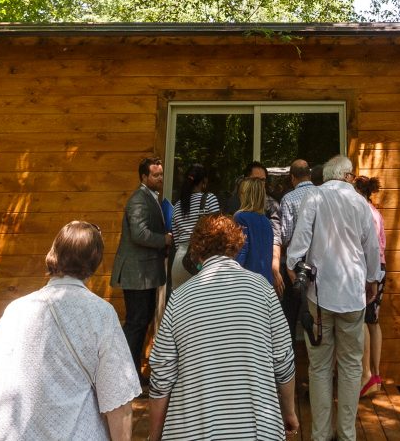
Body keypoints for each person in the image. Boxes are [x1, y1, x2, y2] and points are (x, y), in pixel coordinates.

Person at [0, 221, 139, 441]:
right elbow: (118, 398)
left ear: (54, 253)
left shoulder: (17, 309)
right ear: (95, 262)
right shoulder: (101, 314)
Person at [147, 215, 298, 441]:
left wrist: (154, 434)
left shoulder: (179, 298)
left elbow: (161, 375)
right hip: (257, 429)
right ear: (236, 247)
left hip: (191, 430)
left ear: (197, 251)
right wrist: (289, 413)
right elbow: (283, 361)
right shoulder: (263, 290)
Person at [286, 154, 383, 441]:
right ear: (348, 175)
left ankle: (320, 434)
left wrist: (294, 271)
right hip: (353, 292)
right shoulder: (359, 202)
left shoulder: (314, 197)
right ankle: (347, 433)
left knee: (319, 365)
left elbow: (299, 243)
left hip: (320, 293)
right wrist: (372, 281)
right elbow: (372, 247)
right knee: (352, 364)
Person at [110, 156, 171, 380]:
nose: (160, 178)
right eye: (156, 175)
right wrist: (164, 240)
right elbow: (139, 234)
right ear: (144, 177)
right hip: (136, 273)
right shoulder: (138, 199)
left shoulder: (151, 197)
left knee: (141, 322)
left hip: (145, 273)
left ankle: (131, 375)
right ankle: (125, 376)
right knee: (136, 324)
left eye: (161, 174)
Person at [277, 158, 320, 337]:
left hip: (296, 263)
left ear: (292, 177)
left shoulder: (288, 198)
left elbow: (285, 234)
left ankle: (292, 357)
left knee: (291, 314)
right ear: (309, 174)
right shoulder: (321, 194)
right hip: (319, 259)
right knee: (317, 310)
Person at [353, 174, 386, 398]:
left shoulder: (362, 212)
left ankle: (365, 375)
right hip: (382, 266)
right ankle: (375, 373)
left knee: (364, 319)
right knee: (374, 321)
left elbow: (366, 245)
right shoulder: (377, 212)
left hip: (369, 268)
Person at [169, 163, 220, 292]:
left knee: (180, 308)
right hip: (202, 261)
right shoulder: (210, 199)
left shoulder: (177, 206)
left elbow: (176, 240)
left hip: (179, 261)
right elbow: (219, 232)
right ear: (204, 181)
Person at [234, 175, 283, 291]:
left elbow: (241, 251)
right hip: (265, 283)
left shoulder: (240, 217)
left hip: (246, 283)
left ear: (245, 195)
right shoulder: (266, 222)